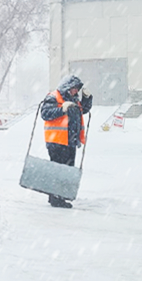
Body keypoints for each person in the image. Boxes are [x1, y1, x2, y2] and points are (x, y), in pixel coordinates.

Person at [39, 74, 92, 208]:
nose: (76, 91)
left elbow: (83, 110)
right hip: (56, 141)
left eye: (77, 89)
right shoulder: (54, 96)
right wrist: (62, 109)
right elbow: (45, 113)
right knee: (58, 170)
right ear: (67, 87)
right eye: (74, 88)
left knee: (67, 170)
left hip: (70, 141)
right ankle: (57, 199)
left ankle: (58, 196)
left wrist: (87, 98)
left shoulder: (73, 99)